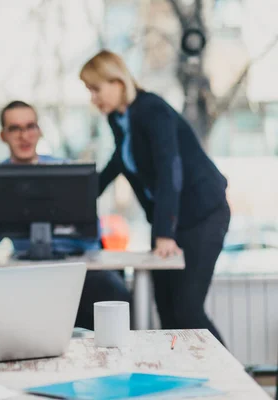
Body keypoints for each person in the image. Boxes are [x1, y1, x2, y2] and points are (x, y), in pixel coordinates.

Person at [80, 50, 229, 342]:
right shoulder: (120, 119)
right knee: (166, 311)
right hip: (169, 222)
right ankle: (182, 380)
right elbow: (119, 162)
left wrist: (163, 233)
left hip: (202, 216)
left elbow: (169, 170)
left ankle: (233, 379)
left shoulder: (152, 110)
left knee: (187, 310)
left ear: (118, 81)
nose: (93, 98)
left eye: (95, 89)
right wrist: (81, 195)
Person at [0, 100, 131, 330]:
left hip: (76, 268)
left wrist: (58, 226)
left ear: (39, 131)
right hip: (26, 272)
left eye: (30, 126)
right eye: (15, 128)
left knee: (112, 290)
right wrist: (4, 221)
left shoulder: (67, 170)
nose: (24, 135)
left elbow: (92, 234)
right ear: (3, 135)